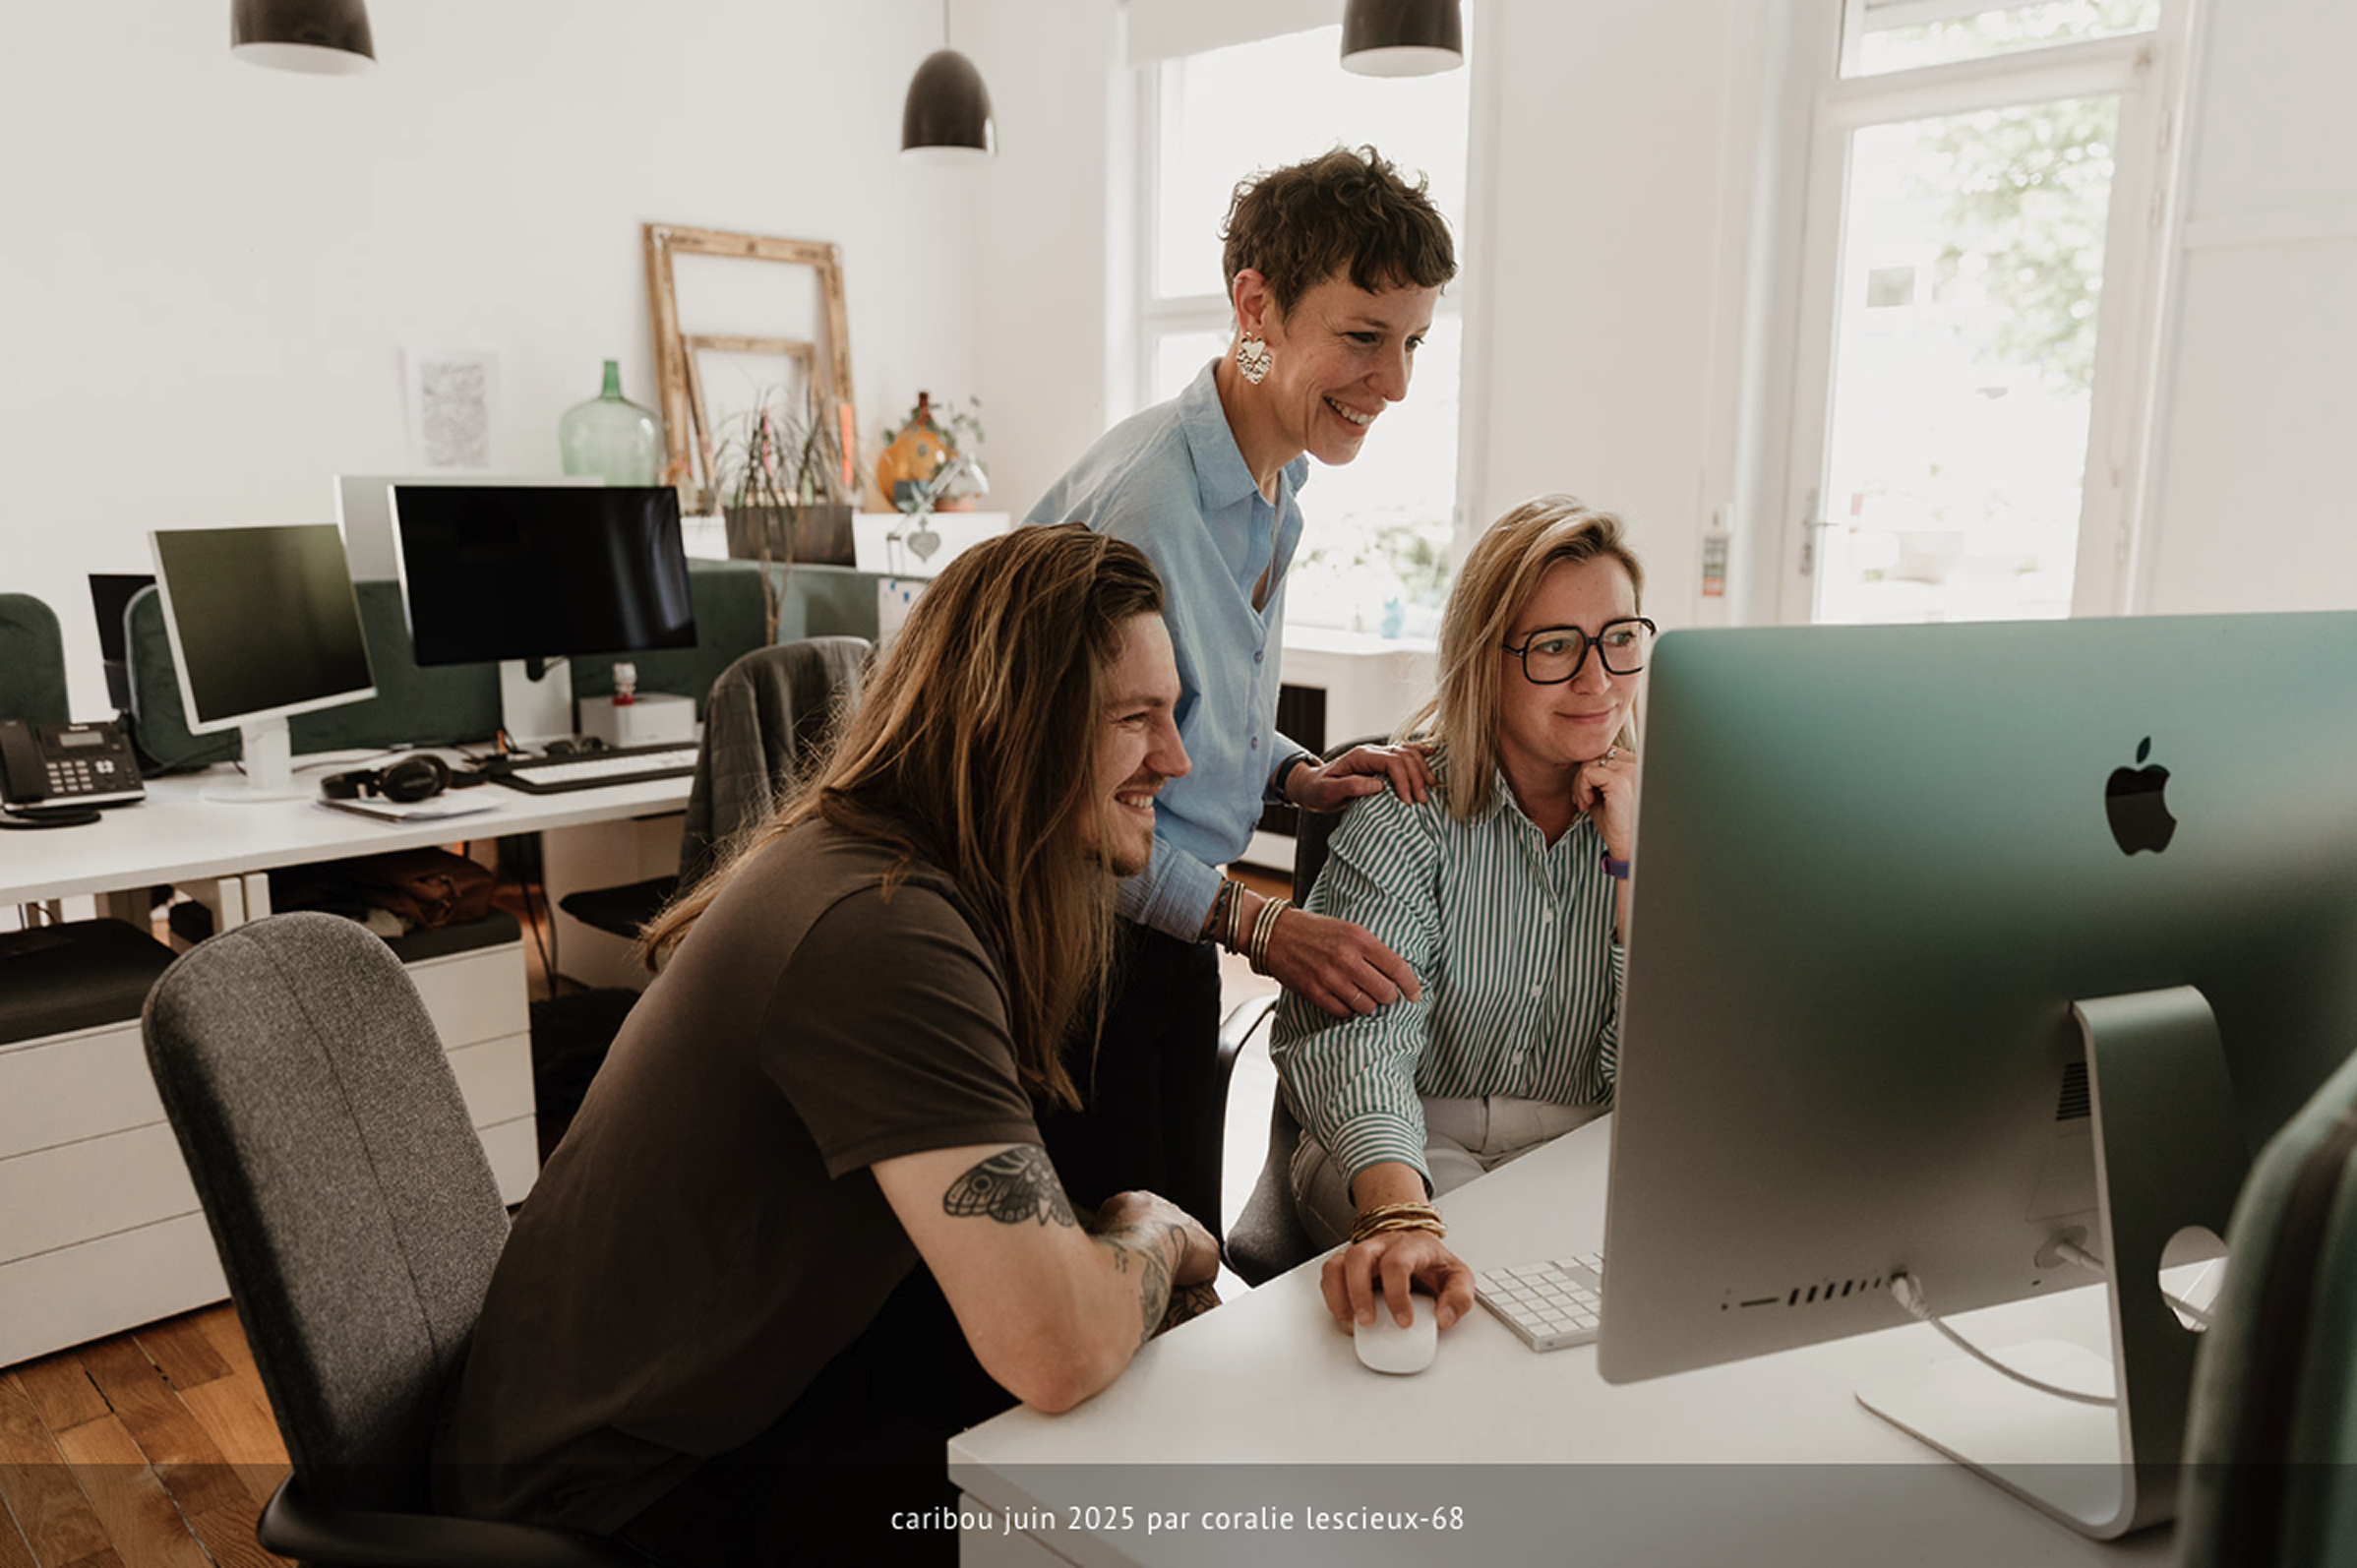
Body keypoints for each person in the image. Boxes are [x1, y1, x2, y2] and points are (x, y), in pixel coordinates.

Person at [430, 525, 1220, 1564]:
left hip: (707, 1406)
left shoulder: (883, 868)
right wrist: (1158, 1235)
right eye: (1135, 720)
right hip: (619, 1500)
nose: (1175, 758)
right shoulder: (882, 929)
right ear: (1016, 728)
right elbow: (1056, 1347)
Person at [1024, 146, 1458, 1235]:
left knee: (1188, 1250)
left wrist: (1291, 774)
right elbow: (1068, 808)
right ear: (1254, 306)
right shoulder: (1148, 508)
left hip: (1163, 925)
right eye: (1363, 337)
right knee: (1125, 1265)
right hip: (1072, 938)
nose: (1395, 382)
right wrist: (1260, 924)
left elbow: (1185, 709)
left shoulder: (1276, 480)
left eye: (1409, 342)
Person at [1267, 496, 1650, 1339]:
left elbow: (1663, 1080)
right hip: (1408, 1133)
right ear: (1487, 660)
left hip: (1589, 1137)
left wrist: (1631, 866)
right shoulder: (1406, 812)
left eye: (1620, 640)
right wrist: (1403, 1215)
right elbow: (1360, 1045)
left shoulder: (1668, 816)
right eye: (1555, 647)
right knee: (1473, 1306)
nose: (1599, 681)